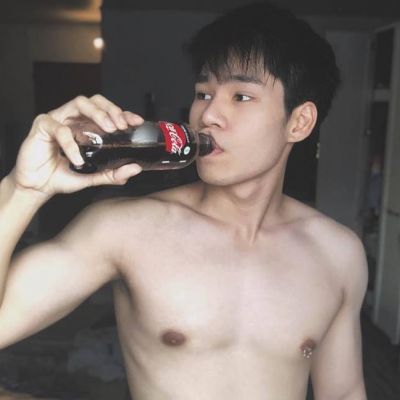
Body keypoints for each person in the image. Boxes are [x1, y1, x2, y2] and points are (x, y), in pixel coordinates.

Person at [0, 2, 368, 399]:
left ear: (299, 122)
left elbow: (344, 392)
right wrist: (23, 189)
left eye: (241, 96)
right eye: (203, 93)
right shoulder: (125, 229)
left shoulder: (338, 254)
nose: (208, 115)